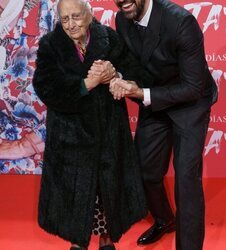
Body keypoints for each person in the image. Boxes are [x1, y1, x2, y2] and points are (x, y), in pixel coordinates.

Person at [33, 0, 152, 249]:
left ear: (89, 15)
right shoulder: (49, 45)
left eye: (75, 17)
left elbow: (137, 74)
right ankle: (78, 241)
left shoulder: (109, 38)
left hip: (109, 134)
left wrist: (115, 75)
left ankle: (107, 239)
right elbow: (45, 87)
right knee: (74, 199)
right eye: (64, 19)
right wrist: (86, 84)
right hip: (70, 139)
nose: (70, 24)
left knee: (106, 192)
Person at [109, 0, 218, 249]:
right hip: (154, 97)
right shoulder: (122, 19)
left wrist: (143, 93)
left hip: (190, 104)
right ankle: (164, 220)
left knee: (186, 181)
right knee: (145, 171)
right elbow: (133, 64)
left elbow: (193, 86)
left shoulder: (181, 22)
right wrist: (117, 77)